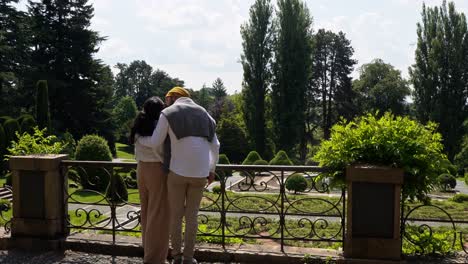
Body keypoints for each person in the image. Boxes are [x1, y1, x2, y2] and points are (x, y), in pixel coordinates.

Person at [138, 87, 220, 264]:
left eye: (167, 98)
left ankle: (176, 256)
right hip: (200, 174)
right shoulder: (206, 115)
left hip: (177, 172)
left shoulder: (168, 113)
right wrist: (211, 170)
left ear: (174, 97)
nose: (165, 102)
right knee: (192, 217)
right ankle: (189, 258)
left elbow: (155, 143)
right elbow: (215, 146)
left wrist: (139, 140)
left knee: (175, 216)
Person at [129, 96, 170, 264]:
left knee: (146, 212)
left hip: (141, 169)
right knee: (158, 215)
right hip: (156, 170)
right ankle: (155, 258)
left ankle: (148, 250)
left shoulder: (139, 127)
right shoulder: (157, 129)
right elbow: (160, 151)